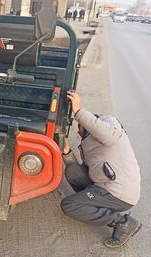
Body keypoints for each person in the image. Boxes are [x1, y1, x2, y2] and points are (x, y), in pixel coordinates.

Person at [60, 91, 141, 248]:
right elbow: (87, 170)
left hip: (119, 193)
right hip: (104, 185)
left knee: (69, 205)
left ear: (90, 123)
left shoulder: (111, 128)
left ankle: (122, 223)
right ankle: (91, 204)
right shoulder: (90, 145)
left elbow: (100, 129)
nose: (78, 132)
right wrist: (67, 153)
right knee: (72, 171)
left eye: (80, 128)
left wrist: (78, 111)